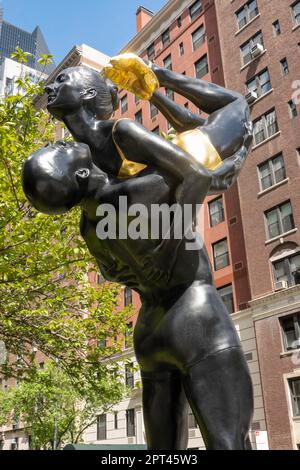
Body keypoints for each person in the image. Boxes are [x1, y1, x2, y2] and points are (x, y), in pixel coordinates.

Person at [23, 137, 253, 450]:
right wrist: (241, 150)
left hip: (149, 332)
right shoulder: (134, 190)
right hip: (194, 314)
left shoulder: (88, 228)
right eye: (59, 150)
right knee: (228, 443)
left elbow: (113, 272)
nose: (61, 142)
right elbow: (199, 176)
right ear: (79, 176)